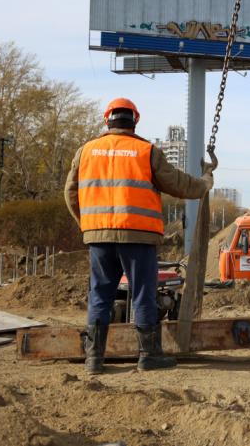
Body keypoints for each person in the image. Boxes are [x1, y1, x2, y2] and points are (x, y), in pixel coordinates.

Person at [64, 97, 214, 375]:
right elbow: (178, 184)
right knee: (143, 294)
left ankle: (94, 360)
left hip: (98, 237)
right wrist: (205, 183)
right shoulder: (146, 151)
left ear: (106, 119)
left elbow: (70, 193)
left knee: (100, 294)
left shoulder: (85, 151)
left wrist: (88, 226)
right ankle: (148, 356)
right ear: (135, 121)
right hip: (139, 236)